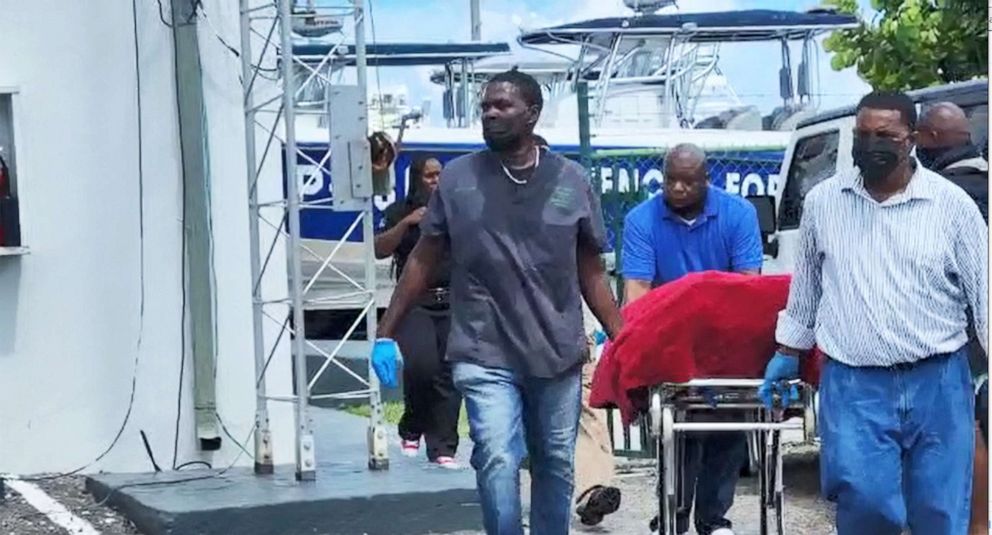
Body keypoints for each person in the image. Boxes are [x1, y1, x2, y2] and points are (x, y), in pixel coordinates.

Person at [371, 69, 624, 535]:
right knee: (497, 454)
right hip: (482, 350)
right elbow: (423, 261)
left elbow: (590, 267)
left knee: (554, 461)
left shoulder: (571, 181)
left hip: (556, 352)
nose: (489, 113)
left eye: (502, 105)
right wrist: (385, 334)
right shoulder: (459, 180)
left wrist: (621, 336)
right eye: (485, 105)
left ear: (532, 113)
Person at [760, 91, 988, 535]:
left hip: (937, 383)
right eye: (863, 135)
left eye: (885, 135)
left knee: (940, 513)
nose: (871, 144)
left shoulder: (952, 207)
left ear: (912, 140)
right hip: (855, 386)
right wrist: (787, 352)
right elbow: (806, 288)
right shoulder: (824, 203)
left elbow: (985, 293)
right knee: (866, 505)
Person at [621, 143, 763, 535]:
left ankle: (714, 518)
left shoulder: (738, 214)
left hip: (725, 331)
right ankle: (675, 512)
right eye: (671, 180)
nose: (678, 189)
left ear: (706, 180)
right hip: (670, 333)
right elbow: (637, 291)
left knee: (729, 422)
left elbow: (747, 285)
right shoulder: (641, 220)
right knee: (675, 425)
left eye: (687, 181)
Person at [917, 101, 989, 535]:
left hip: (958, 331)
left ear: (933, 139)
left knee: (965, 428)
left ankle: (975, 526)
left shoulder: (945, 195)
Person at [374, 156, 460, 469]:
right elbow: (379, 248)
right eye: (429, 176)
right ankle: (411, 427)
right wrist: (407, 222)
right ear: (416, 179)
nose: (435, 181)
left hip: (452, 301)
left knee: (450, 375)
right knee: (422, 367)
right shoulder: (398, 210)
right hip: (414, 304)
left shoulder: (455, 209)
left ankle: (443, 447)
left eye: (440, 176)